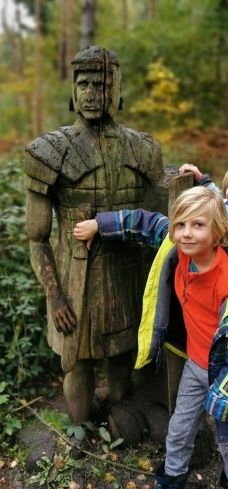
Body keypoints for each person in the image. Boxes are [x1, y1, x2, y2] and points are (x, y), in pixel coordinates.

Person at [76, 187, 228, 489]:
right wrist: (100, 224)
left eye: (198, 226)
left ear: (218, 232)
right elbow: (145, 222)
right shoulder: (174, 248)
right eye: (181, 225)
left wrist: (222, 397)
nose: (186, 234)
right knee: (178, 431)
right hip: (195, 364)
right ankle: (171, 483)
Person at [24, 46, 165, 424]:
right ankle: (81, 431)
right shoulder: (49, 152)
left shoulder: (144, 150)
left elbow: (161, 225)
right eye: (83, 84)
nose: (90, 93)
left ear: (117, 89)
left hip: (128, 278)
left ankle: (122, 420)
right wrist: (55, 298)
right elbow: (37, 239)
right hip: (74, 283)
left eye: (100, 84)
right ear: (73, 90)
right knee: (77, 364)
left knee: (123, 358)